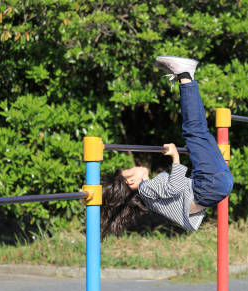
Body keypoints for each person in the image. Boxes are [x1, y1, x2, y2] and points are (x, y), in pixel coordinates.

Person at [100, 56, 233, 236]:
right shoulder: (145, 190)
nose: (134, 166)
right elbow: (175, 187)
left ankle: (186, 77)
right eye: (130, 170)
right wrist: (175, 156)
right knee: (194, 131)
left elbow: (178, 194)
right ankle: (184, 75)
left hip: (215, 186)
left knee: (199, 131)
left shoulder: (148, 195)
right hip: (209, 185)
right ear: (131, 181)